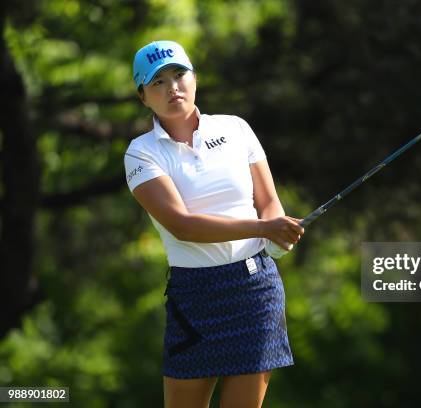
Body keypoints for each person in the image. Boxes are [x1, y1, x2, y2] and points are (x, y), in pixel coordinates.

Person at [124, 40, 304, 408]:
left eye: (179, 75)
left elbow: (268, 201)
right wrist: (262, 229)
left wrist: (277, 234)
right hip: (195, 295)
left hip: (255, 290)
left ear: (195, 79)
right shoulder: (141, 152)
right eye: (157, 82)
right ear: (143, 96)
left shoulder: (236, 129)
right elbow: (183, 226)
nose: (172, 88)